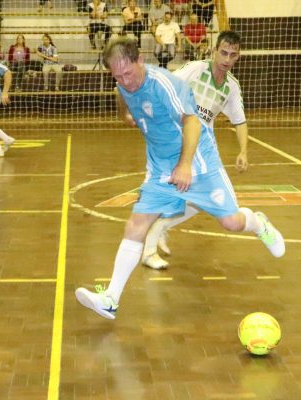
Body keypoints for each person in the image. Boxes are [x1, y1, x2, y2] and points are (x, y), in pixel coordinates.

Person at [75, 37, 285, 319]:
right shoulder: (123, 85)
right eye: (117, 76)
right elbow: (121, 94)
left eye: (128, 73)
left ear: (140, 61)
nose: (125, 80)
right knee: (136, 224)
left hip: (198, 161)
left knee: (231, 222)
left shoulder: (163, 84)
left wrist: (185, 165)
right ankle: (111, 298)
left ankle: (259, 224)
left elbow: (192, 121)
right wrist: (125, 115)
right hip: (161, 168)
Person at [141, 30, 283, 269]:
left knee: (210, 208)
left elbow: (240, 121)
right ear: (215, 50)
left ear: (238, 57)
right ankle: (150, 248)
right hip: (177, 142)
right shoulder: (196, 69)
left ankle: (256, 222)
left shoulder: (232, 87)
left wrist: (243, 151)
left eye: (233, 55)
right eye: (224, 53)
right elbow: (168, 85)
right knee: (165, 194)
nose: (227, 59)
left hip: (204, 151)